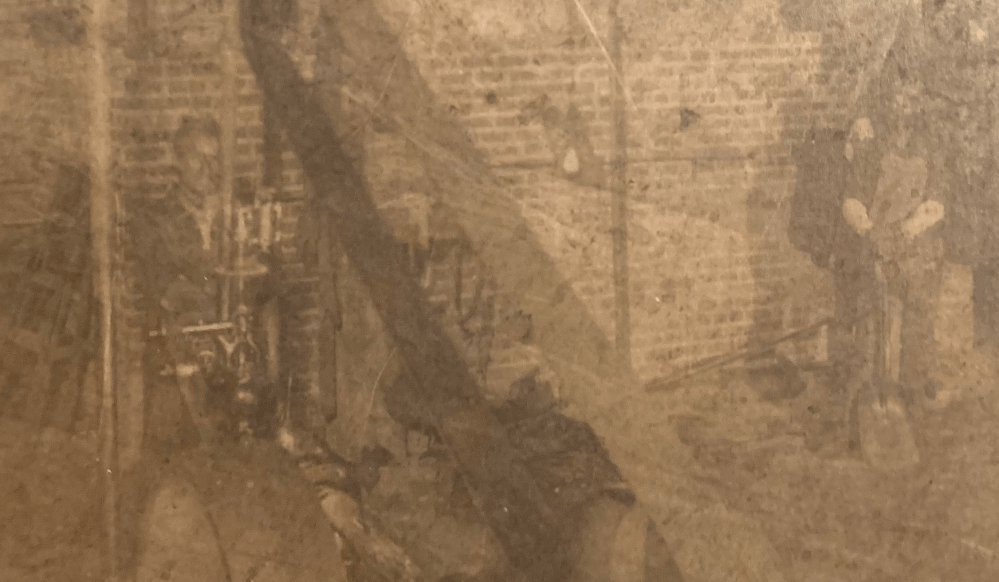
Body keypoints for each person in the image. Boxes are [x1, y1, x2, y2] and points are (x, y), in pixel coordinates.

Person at [840, 83, 946, 409]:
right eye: (898, 98)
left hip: (916, 248)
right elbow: (851, 198)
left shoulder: (931, 148)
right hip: (876, 246)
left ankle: (915, 390)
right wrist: (870, 232)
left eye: (911, 99)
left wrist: (908, 231)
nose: (903, 107)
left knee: (918, 321)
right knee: (871, 323)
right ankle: (868, 393)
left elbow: (938, 202)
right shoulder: (870, 150)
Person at [128, 115, 227, 455]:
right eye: (198, 158)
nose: (208, 169)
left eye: (214, 159)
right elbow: (162, 287)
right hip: (174, 345)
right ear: (179, 161)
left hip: (221, 342)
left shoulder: (227, 216)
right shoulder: (155, 218)